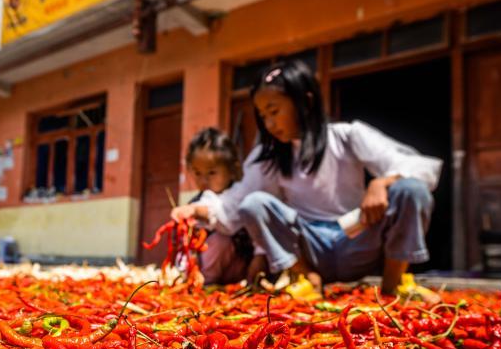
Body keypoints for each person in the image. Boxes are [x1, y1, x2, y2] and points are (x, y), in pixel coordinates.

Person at [171, 59, 441, 295]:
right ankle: (306, 278)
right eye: (263, 116)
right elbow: (233, 204)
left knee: (410, 189)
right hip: (310, 247)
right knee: (254, 204)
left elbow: (420, 167)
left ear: (306, 102)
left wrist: (382, 183)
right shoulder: (269, 156)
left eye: (274, 112)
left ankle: (393, 285)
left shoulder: (347, 136)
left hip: (357, 239)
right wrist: (194, 209)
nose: (269, 124)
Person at [183, 127, 254, 285]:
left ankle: (208, 282)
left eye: (212, 173)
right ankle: (197, 280)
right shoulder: (196, 201)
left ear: (232, 170)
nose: (203, 180)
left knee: (221, 239)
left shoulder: (239, 194)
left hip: (241, 266)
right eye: (197, 173)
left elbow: (221, 215)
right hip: (207, 270)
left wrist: (195, 211)